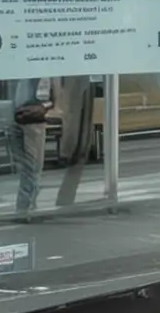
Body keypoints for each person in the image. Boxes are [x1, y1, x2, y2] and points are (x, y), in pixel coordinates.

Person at [51, 74, 95, 207]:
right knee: (73, 113)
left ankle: (73, 152)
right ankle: (71, 152)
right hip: (77, 72)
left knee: (76, 114)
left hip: (85, 74)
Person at [8, 77, 49, 219]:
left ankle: (24, 208)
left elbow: (48, 94)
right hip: (21, 117)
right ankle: (26, 208)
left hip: (28, 117)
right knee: (28, 167)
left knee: (30, 167)